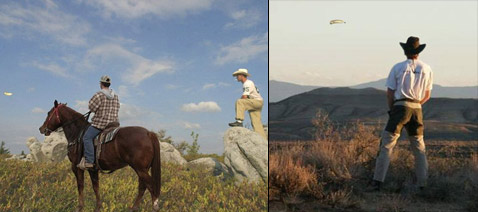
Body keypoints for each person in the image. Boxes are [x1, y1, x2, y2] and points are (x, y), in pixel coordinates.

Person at [372, 36, 433, 190]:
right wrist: (416, 104)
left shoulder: (398, 67)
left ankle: (377, 183)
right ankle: (423, 184)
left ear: (405, 51)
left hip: (400, 107)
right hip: (417, 109)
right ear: (418, 52)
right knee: (419, 148)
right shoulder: (427, 68)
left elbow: (390, 92)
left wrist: (393, 109)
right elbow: (427, 95)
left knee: (387, 145)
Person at [78, 75, 120, 170]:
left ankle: (89, 161)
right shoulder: (116, 96)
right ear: (109, 85)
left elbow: (91, 107)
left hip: (100, 124)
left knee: (87, 137)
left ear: (101, 84)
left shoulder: (99, 95)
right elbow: (117, 108)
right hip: (114, 124)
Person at [228, 68, 266, 139]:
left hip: (256, 102)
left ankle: (239, 121)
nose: (237, 77)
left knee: (239, 101)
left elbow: (244, 96)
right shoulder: (249, 83)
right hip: (258, 102)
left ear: (242, 75)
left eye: (238, 75)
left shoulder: (247, 83)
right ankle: (263, 140)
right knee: (256, 123)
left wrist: (240, 105)